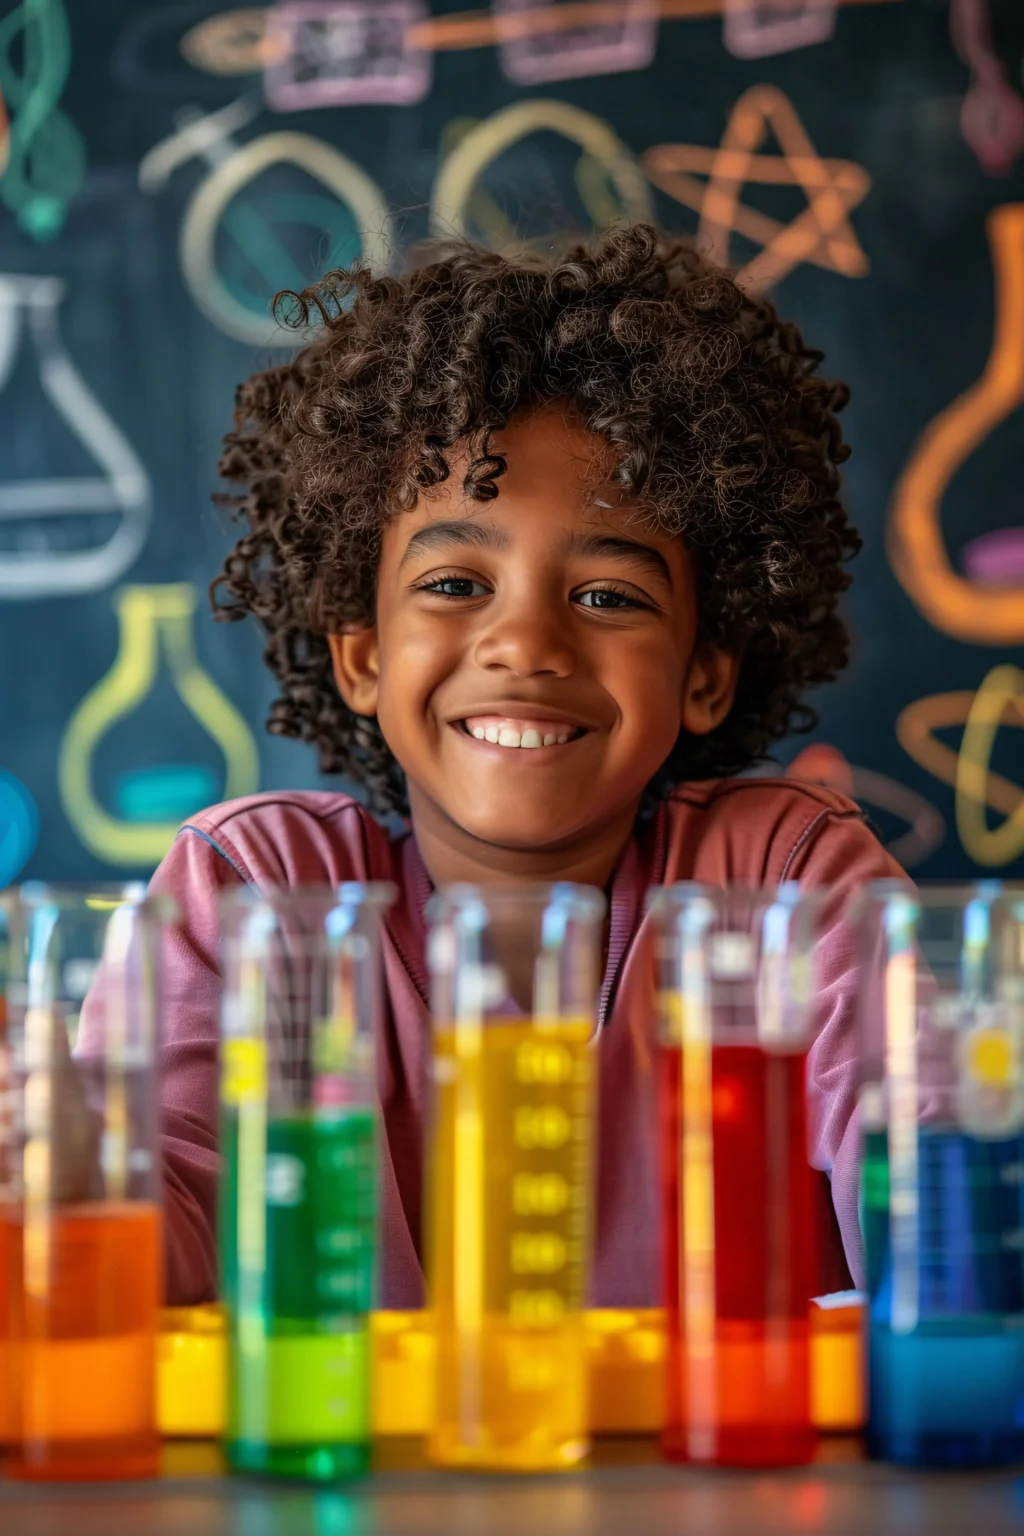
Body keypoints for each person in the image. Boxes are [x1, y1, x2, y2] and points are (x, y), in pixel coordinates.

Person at [151, 224, 901, 1309]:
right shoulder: (262, 893)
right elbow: (153, 1213)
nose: (526, 643)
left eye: (607, 596)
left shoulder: (780, 882)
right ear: (361, 654)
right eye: (455, 584)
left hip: (737, 1468)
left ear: (703, 674)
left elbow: (933, 1164)